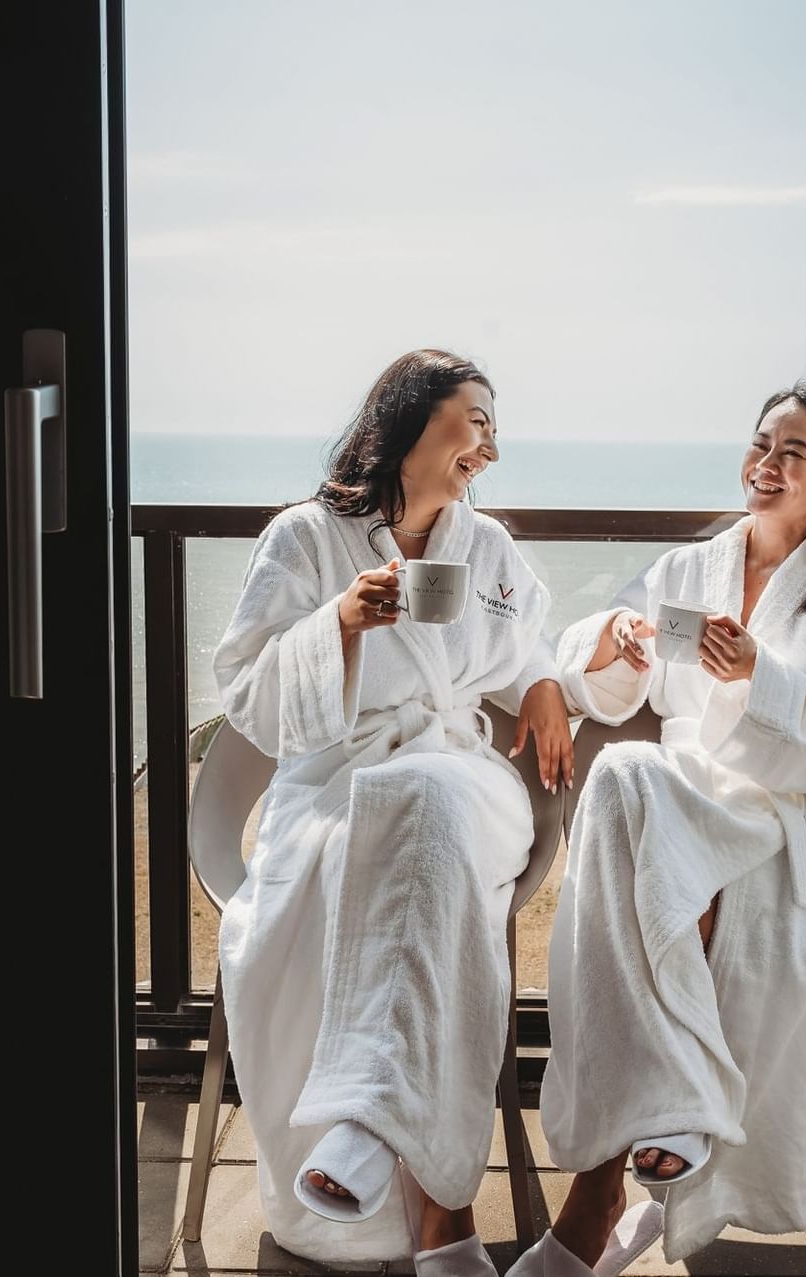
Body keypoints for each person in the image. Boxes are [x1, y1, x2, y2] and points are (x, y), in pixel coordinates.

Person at [510, 382, 806, 1275]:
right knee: (622, 777)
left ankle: (600, 1191)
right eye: (762, 444)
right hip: (694, 793)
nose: (767, 464)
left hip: (794, 817)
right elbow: (596, 658)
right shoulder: (690, 570)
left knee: (642, 840)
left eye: (794, 453)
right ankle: (670, 1114)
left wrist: (763, 674)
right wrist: (614, 639)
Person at [213, 350, 573, 1274]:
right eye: (476, 419)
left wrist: (538, 683)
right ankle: (429, 1221)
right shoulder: (303, 537)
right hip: (335, 777)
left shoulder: (483, 544)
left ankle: (372, 1123)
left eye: (495, 426)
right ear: (412, 419)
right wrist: (336, 622)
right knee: (369, 850)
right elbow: (247, 692)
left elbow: (524, 637)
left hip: (462, 773)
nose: (488, 444)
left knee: (423, 801)